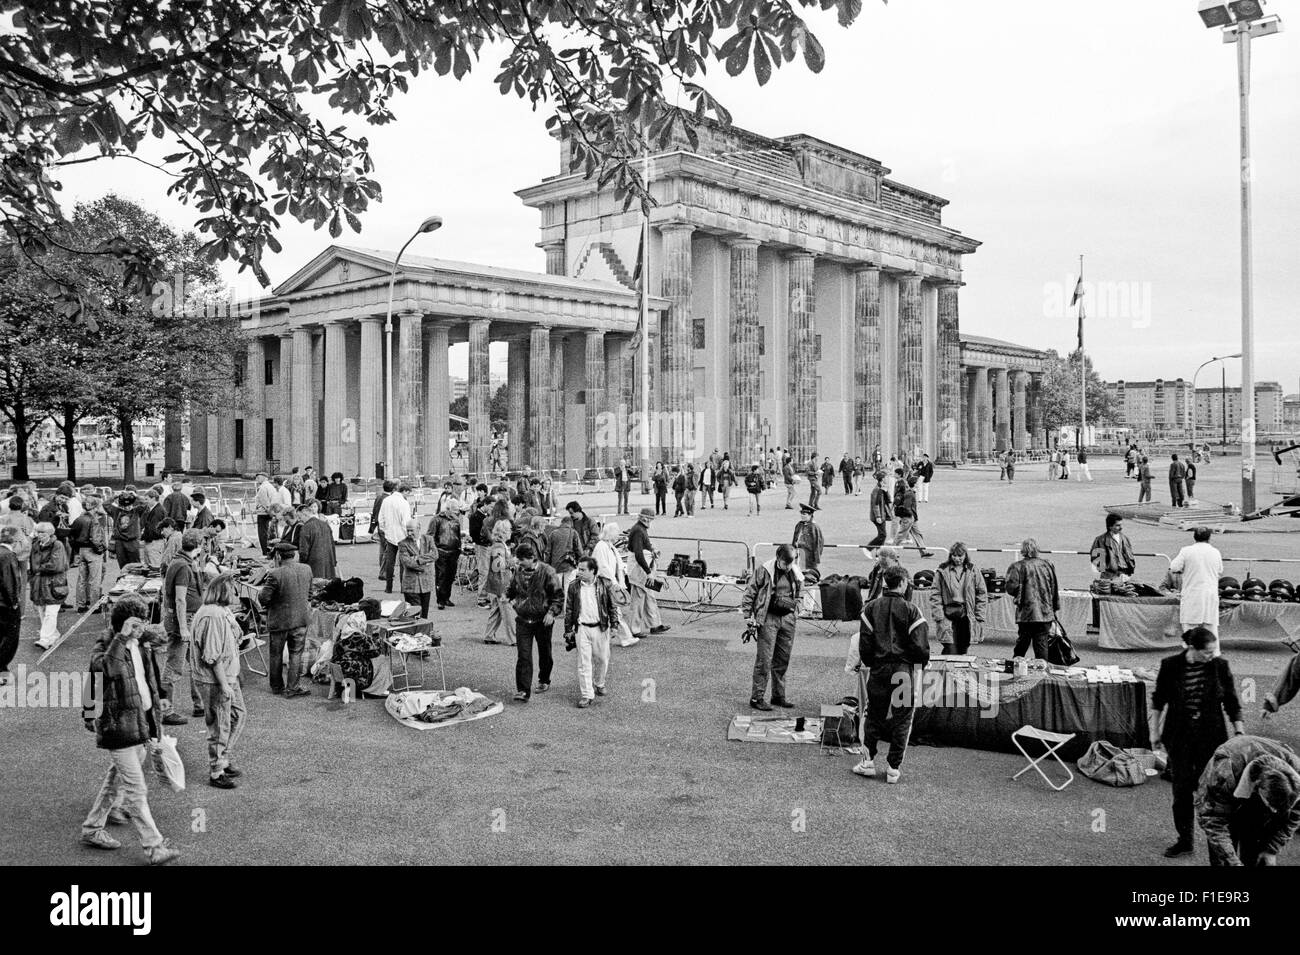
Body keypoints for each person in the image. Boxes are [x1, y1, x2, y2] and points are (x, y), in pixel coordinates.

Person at [80, 596, 180, 865]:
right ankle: (154, 846)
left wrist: (160, 697)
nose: (141, 627)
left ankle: (92, 828)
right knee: (136, 790)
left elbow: (150, 671)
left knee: (115, 780)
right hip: (117, 726)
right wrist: (122, 638)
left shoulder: (139, 641)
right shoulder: (107, 645)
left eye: (142, 622)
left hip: (140, 723)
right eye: (136, 623)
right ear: (123, 624)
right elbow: (103, 671)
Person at [1151, 626, 1244, 858]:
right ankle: (1185, 840)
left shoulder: (1219, 666)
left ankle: (1218, 842)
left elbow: (1232, 701)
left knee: (1215, 792)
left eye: (1213, 651)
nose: (1211, 656)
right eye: (1207, 652)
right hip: (1179, 737)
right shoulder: (1170, 665)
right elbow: (1158, 701)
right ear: (1192, 648)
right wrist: (1154, 733)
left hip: (1211, 738)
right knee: (1181, 791)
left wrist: (1239, 732)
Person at [852, 564, 930, 783]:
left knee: (873, 715)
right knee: (903, 718)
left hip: (878, 669)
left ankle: (867, 762)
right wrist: (918, 665)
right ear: (903, 583)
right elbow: (921, 647)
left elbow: (864, 645)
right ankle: (893, 768)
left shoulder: (870, 608)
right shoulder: (912, 610)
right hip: (903, 671)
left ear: (886, 582)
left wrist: (873, 663)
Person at [1197, 734, 1300, 867]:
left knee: (1256, 857)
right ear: (1258, 786)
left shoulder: (1297, 776)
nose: (1275, 811)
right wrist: (1232, 861)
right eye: (1271, 806)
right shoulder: (1224, 770)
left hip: (1256, 807)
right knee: (1221, 860)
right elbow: (1213, 820)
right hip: (1226, 797)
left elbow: (1295, 814)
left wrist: (1272, 849)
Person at [191, 574, 245, 790]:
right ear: (223, 591)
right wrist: (224, 684)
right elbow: (212, 655)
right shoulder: (213, 615)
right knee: (220, 725)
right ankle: (216, 770)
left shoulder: (221, 611)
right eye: (233, 590)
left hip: (226, 675)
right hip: (215, 680)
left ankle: (223, 758)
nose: (236, 595)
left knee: (237, 715)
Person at [741, 543, 803, 712]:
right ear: (778, 559)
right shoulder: (764, 570)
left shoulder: (795, 570)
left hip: (788, 618)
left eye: (791, 563)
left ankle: (778, 696)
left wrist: (796, 609)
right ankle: (757, 697)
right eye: (785, 564)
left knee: (783, 659)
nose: (788, 566)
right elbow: (750, 591)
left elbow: (800, 592)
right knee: (764, 660)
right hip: (768, 618)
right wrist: (748, 616)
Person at [506, 542, 564, 702]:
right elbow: (511, 589)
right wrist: (508, 597)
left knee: (545, 653)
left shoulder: (548, 572)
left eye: (521, 561)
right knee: (523, 656)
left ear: (531, 558)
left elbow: (558, 596)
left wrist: (552, 613)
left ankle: (544, 679)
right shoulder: (518, 571)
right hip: (523, 619)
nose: (519, 564)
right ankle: (523, 690)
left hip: (542, 620)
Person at [159, 530, 206, 724]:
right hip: (184, 620)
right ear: (199, 545)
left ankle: (200, 704)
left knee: (196, 662)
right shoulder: (183, 566)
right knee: (173, 667)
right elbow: (180, 599)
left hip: (187, 618)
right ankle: (165, 711)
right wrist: (184, 628)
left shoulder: (181, 562)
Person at [564, 556, 621, 708]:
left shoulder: (605, 584)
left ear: (592, 571)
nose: (579, 572)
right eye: (579, 569)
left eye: (583, 570)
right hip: (582, 628)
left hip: (600, 628)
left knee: (602, 659)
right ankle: (587, 694)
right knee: (583, 663)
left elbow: (612, 606)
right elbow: (569, 609)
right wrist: (568, 630)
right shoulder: (573, 586)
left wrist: (614, 625)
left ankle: (599, 682)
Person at [257, 542, 313, 698]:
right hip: (300, 619)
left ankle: (276, 686)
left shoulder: (275, 574)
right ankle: (292, 687)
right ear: (294, 555)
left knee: (276, 654)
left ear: (278, 556)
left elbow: (264, 598)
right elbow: (310, 594)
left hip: (279, 621)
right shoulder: (306, 569)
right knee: (296, 654)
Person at [1004, 538, 1060, 660]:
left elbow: (1010, 588)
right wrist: (1054, 608)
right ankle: (1042, 671)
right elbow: (1054, 587)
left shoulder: (1017, 566)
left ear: (1023, 551)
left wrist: (1020, 593)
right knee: (1041, 644)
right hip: (1045, 612)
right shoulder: (1048, 565)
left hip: (1026, 613)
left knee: (1022, 644)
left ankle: (1016, 668)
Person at [930, 542, 987, 655]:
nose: (957, 559)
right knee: (950, 648)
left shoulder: (973, 570)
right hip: (947, 613)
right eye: (954, 555)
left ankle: (958, 673)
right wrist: (939, 615)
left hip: (966, 615)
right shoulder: (942, 570)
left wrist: (980, 615)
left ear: (965, 555)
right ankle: (944, 671)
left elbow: (982, 593)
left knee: (962, 649)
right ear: (950, 555)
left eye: (960, 556)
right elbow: (935, 593)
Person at [1169, 527, 1223, 636]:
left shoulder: (1186, 551)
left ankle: (1191, 650)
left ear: (1194, 537)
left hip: (1193, 593)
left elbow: (1174, 567)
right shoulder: (1215, 552)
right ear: (1209, 538)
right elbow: (1220, 570)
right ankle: (1212, 651)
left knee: (1190, 625)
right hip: (1210, 593)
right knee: (1210, 626)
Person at [592, 521, 638, 648]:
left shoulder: (608, 546)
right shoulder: (603, 546)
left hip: (608, 583)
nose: (618, 535)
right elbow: (603, 567)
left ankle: (623, 637)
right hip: (606, 583)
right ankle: (625, 637)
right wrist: (615, 582)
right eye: (616, 533)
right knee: (615, 611)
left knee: (611, 611)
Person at [625, 508, 668, 639]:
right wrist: (648, 572)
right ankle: (634, 629)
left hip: (642, 567)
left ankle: (654, 624)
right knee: (637, 599)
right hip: (640, 569)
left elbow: (643, 548)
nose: (651, 521)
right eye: (650, 519)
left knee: (649, 596)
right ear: (645, 518)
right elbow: (638, 554)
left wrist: (652, 549)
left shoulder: (640, 528)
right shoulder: (638, 530)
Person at [30, 521, 68, 651]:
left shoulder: (58, 545)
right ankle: (54, 634)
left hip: (54, 583)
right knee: (41, 611)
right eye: (39, 532)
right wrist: (35, 572)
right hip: (39, 582)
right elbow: (32, 565)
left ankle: (45, 639)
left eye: (43, 533)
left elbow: (56, 565)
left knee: (50, 612)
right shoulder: (35, 545)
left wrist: (38, 569)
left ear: (50, 533)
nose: (40, 535)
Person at [69, 493, 108, 613]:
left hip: (81, 550)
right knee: (94, 580)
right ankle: (94, 605)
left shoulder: (79, 519)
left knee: (81, 579)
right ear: (95, 507)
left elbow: (72, 535)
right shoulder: (94, 520)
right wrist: (102, 549)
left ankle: (81, 604)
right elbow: (95, 539)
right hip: (92, 551)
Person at [482, 521, 516, 646]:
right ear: (504, 532)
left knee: (496, 610)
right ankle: (513, 638)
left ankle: (489, 635)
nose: (511, 532)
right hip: (502, 583)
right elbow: (497, 566)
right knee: (508, 612)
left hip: (497, 582)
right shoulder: (499, 547)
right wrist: (512, 562)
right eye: (509, 530)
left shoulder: (499, 545)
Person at [377, 484, 413, 593]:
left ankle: (389, 587)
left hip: (389, 535)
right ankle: (403, 587)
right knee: (403, 562)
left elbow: (381, 518)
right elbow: (406, 521)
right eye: (408, 492)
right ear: (405, 491)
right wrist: (409, 534)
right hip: (402, 536)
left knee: (390, 561)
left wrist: (385, 530)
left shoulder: (386, 500)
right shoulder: (404, 503)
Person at [105, 486, 148, 567]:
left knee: (136, 565)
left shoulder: (136, 511)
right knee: (123, 566)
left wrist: (135, 495)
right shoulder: (116, 511)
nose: (126, 507)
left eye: (128, 505)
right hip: (120, 542)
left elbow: (145, 504)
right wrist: (116, 496)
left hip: (132, 541)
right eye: (124, 505)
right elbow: (105, 504)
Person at [0, 526, 22, 685]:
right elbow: (10, 582)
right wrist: (14, 602)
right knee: (9, 638)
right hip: (5, 605)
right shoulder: (8, 556)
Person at [431, 501, 463, 610]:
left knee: (450, 576)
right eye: (454, 512)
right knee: (441, 576)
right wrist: (434, 549)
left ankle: (446, 598)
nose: (456, 514)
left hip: (454, 551)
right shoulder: (437, 519)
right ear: (448, 509)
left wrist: (459, 547)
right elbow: (430, 536)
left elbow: (458, 534)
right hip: (441, 551)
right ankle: (440, 599)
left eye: (457, 512)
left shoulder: (456, 520)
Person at [296, 501, 338, 580]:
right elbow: (332, 545)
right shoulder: (325, 525)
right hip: (328, 562)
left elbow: (304, 551)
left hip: (314, 565)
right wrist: (334, 561)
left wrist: (301, 564)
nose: (299, 520)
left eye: (299, 517)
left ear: (304, 514)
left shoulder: (305, 527)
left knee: (315, 588)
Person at [1090, 513, 1135, 583]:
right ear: (1110, 526)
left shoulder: (1125, 539)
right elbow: (1096, 559)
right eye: (1118, 525)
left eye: (1121, 525)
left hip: (1125, 575)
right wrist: (1107, 570)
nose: (1121, 527)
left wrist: (1129, 570)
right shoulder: (1100, 540)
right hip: (1109, 576)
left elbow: (1130, 556)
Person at [369, 478, 396, 582]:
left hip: (379, 525)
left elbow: (374, 510)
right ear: (392, 489)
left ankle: (383, 569)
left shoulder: (379, 497)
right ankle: (384, 572)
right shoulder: (388, 499)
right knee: (387, 550)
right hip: (386, 526)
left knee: (382, 548)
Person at [791, 503, 823, 577]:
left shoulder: (814, 527)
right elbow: (794, 539)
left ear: (810, 515)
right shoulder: (799, 524)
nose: (802, 516)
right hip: (798, 553)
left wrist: (816, 558)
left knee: (809, 574)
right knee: (797, 572)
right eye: (801, 513)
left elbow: (818, 543)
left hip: (809, 555)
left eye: (804, 514)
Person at [252, 473, 277, 555]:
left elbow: (264, 502)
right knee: (268, 531)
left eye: (258, 478)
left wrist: (269, 512)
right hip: (270, 511)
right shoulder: (270, 486)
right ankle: (269, 550)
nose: (257, 479)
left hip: (264, 513)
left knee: (262, 533)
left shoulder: (263, 487)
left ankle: (265, 552)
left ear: (264, 478)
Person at [868, 472, 892, 547]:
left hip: (883, 514)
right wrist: (878, 516)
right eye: (886, 478)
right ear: (882, 479)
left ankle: (878, 555)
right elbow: (875, 504)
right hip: (878, 516)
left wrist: (886, 491)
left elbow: (889, 500)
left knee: (882, 535)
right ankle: (868, 548)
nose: (887, 479)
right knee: (883, 535)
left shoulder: (883, 488)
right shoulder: (876, 490)